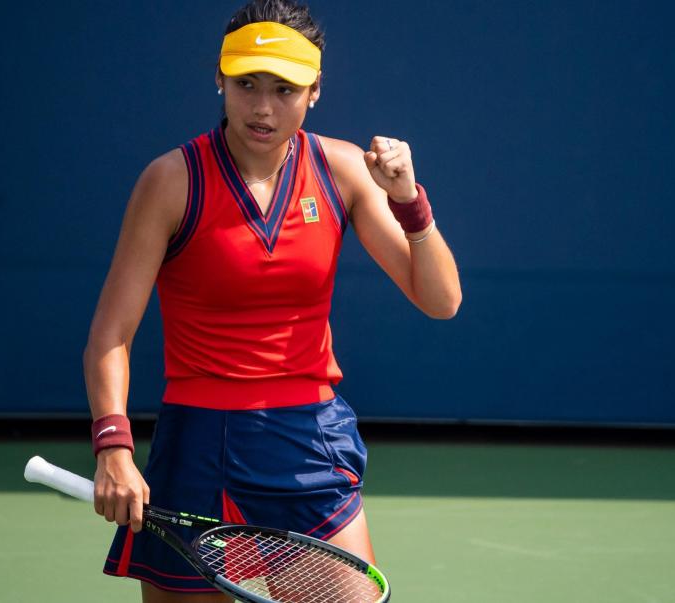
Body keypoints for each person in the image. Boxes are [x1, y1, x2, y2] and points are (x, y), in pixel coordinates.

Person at [83, 1, 462, 600]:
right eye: (246, 85)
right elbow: (111, 335)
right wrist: (113, 445)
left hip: (307, 441)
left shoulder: (342, 172)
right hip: (194, 450)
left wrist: (409, 201)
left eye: (284, 89)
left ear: (315, 91)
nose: (262, 107)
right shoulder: (170, 182)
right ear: (219, 78)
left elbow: (441, 300)